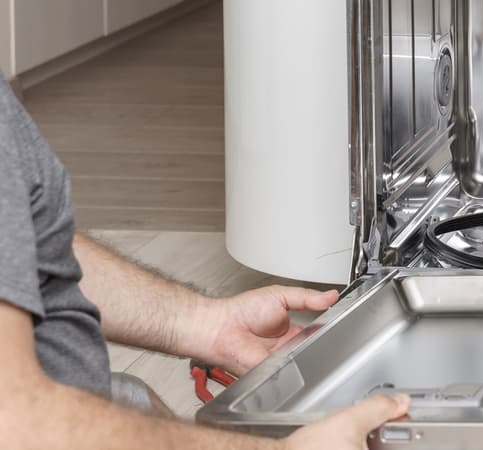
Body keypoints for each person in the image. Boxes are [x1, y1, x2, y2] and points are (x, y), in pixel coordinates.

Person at [0, 76, 410, 449]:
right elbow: (20, 423)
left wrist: (206, 324)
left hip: (64, 402)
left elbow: (31, 244)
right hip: (45, 424)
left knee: (133, 399)